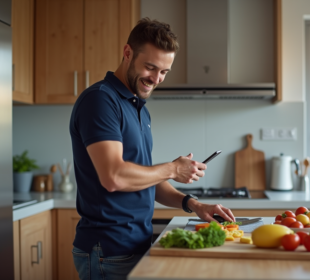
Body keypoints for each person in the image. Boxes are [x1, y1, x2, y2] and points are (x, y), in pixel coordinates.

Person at [69, 17, 236, 280]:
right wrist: (171, 168)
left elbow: (144, 178)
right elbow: (114, 177)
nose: (156, 79)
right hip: (108, 251)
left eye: (164, 72)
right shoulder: (100, 101)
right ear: (127, 53)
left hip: (134, 245)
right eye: (150, 67)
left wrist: (193, 204)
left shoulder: (137, 108)